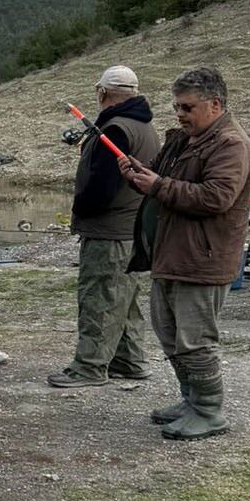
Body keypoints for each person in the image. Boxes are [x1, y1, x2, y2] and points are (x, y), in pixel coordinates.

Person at [119, 66, 250, 440]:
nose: (179, 114)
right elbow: (164, 182)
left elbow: (216, 197)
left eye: (187, 107)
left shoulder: (231, 145)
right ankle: (191, 400)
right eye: (176, 106)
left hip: (202, 260)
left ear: (215, 104)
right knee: (169, 334)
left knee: (195, 341)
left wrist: (159, 185)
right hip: (172, 255)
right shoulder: (186, 140)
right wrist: (139, 176)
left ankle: (209, 411)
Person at [49, 65, 161, 388]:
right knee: (125, 299)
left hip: (110, 232)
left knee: (99, 298)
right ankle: (130, 360)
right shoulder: (145, 127)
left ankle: (90, 367)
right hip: (134, 230)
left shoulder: (115, 129)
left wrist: (81, 210)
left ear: (102, 93)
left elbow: (102, 188)